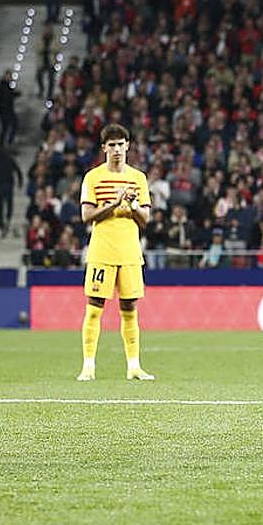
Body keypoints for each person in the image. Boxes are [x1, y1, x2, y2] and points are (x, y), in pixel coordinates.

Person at [77, 124, 154, 381]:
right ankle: (88, 365)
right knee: (95, 307)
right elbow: (87, 216)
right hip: (102, 251)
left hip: (130, 251)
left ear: (128, 146)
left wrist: (131, 204)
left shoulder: (138, 178)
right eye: (112, 145)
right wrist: (113, 203)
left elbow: (145, 219)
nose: (117, 149)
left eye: (121, 144)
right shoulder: (93, 178)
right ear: (104, 149)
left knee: (130, 307)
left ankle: (134, 366)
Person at [0, 144, 23, 236]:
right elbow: (18, 171)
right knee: (9, 203)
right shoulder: (10, 160)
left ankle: (0, 224)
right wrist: (20, 182)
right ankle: (8, 219)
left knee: (0, 206)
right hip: (8, 185)